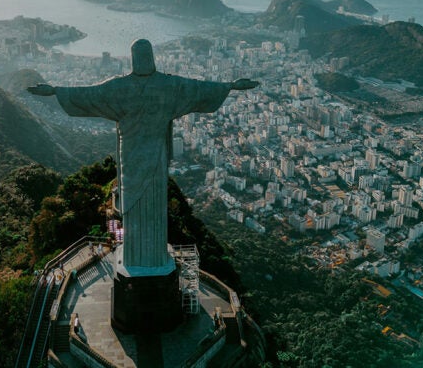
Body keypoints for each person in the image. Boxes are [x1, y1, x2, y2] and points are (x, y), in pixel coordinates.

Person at [29, 39, 258, 275]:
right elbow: (199, 89)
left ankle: (137, 257)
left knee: (135, 203)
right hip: (155, 156)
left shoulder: (120, 88)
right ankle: (153, 256)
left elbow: (89, 95)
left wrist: (55, 91)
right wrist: (230, 86)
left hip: (130, 157)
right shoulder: (169, 85)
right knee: (152, 204)